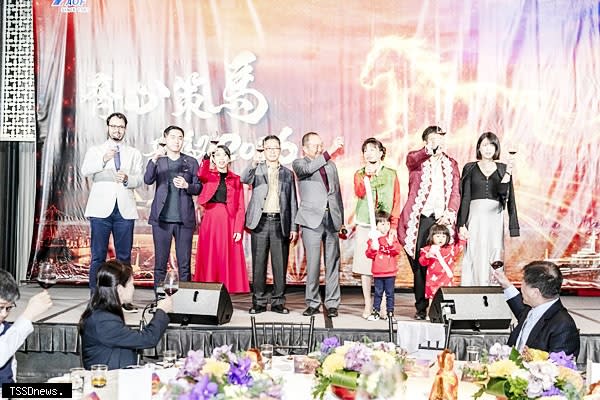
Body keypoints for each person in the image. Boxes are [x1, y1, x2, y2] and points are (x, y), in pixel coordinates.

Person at [81, 112, 143, 312]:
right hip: (101, 210)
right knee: (97, 256)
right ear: (108, 127)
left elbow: (139, 179)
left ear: (125, 129)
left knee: (124, 257)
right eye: (114, 126)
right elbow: (85, 170)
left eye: (121, 127)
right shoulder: (96, 150)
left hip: (124, 210)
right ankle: (95, 298)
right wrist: (103, 159)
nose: (117, 130)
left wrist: (127, 179)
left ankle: (124, 299)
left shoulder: (133, 153)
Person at [397, 125, 460, 320]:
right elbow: (411, 159)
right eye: (433, 139)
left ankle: (439, 306)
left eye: (441, 139)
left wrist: (450, 212)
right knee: (420, 264)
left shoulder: (451, 164)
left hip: (441, 220)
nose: (438, 143)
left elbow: (455, 191)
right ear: (426, 142)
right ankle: (421, 307)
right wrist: (428, 151)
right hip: (419, 220)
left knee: (439, 263)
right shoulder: (417, 161)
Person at [241, 135, 298, 314]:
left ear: (280, 150)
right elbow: (244, 178)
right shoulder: (256, 169)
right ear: (264, 150)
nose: (272, 151)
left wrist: (294, 227)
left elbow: (293, 201)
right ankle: (258, 301)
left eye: (275, 148)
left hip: (280, 222)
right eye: (269, 148)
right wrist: (253, 162)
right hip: (260, 222)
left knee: (280, 265)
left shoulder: (287, 173)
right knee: (259, 264)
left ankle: (278, 302)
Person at [79, 260, 172, 370]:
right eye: (131, 284)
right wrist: (161, 311)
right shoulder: (104, 321)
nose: (133, 288)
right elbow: (148, 339)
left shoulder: (102, 312)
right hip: (107, 378)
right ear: (119, 289)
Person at [293, 132, 344, 318]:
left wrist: (341, 220)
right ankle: (313, 302)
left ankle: (332, 303)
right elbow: (309, 169)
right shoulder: (299, 164)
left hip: (331, 219)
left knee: (332, 263)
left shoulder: (331, 165)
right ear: (305, 148)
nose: (319, 148)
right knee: (313, 264)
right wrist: (330, 151)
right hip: (311, 220)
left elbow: (336, 193)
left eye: (321, 145)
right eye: (315, 145)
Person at [144, 126, 201, 291]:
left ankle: (184, 300)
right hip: (162, 220)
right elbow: (148, 179)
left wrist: (187, 185)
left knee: (184, 265)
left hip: (184, 220)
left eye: (180, 137)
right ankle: (160, 299)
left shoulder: (191, 161)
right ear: (165, 139)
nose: (177, 141)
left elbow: (198, 187)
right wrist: (154, 158)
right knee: (160, 264)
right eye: (173, 137)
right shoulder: (158, 160)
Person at [457, 132, 519, 286]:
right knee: (474, 249)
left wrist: (514, 228)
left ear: (496, 148)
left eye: (492, 145)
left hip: (495, 215)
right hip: (475, 215)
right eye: (485, 145)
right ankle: (473, 286)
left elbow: (507, 196)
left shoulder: (503, 168)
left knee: (494, 249)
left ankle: (493, 286)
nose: (488, 149)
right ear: (479, 147)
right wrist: (461, 224)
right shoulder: (470, 168)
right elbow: (465, 197)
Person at [352, 138, 401, 319]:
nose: (369, 153)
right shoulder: (359, 174)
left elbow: (396, 199)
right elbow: (359, 192)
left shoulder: (391, 174)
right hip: (365, 224)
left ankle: (383, 306)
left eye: (373, 149)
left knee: (385, 266)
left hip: (385, 226)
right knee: (366, 265)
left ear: (381, 152)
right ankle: (368, 304)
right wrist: (368, 176)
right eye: (366, 150)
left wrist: (393, 226)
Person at [493, 261, 580, 356]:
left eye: (523, 283)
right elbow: (520, 309)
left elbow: (560, 363)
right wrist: (506, 285)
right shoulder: (535, 308)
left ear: (535, 293)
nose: (521, 287)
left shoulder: (564, 326)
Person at [193, 144, 249, 293]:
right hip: (210, 220)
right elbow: (201, 173)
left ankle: (225, 290)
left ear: (229, 159)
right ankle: (208, 286)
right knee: (210, 254)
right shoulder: (208, 175)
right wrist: (207, 155)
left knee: (226, 255)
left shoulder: (236, 179)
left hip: (229, 221)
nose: (221, 158)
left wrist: (238, 229)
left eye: (224, 155)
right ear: (213, 158)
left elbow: (240, 206)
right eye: (217, 155)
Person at [0, 270, 53, 388]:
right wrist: (28, 315)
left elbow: (11, 371)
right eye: (1, 307)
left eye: (8, 308)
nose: (4, 314)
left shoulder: (5, 328)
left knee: (63, 391)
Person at [365, 211, 401, 321]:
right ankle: (376, 312)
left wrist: (390, 245)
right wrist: (373, 248)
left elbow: (397, 250)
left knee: (390, 294)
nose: (386, 226)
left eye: (388, 224)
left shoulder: (392, 237)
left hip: (390, 272)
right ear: (376, 225)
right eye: (382, 224)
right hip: (378, 272)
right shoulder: (373, 239)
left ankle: (390, 313)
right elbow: (369, 254)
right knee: (378, 293)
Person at [418, 224, 467, 300]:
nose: (441, 239)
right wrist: (427, 256)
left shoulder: (450, 249)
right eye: (438, 236)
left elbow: (460, 247)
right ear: (432, 236)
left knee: (447, 297)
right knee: (432, 298)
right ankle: (430, 308)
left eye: (443, 236)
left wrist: (463, 238)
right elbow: (422, 262)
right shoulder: (427, 249)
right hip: (432, 280)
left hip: (446, 279)